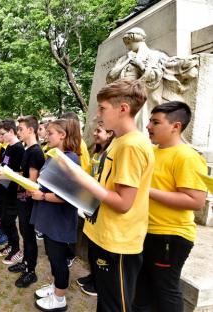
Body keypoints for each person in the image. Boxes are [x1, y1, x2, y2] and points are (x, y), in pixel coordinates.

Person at [69, 79, 154, 311]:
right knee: (105, 301)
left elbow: (124, 202)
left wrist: (81, 179)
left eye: (103, 108)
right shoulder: (119, 141)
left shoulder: (131, 145)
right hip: (104, 233)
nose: (98, 115)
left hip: (118, 241)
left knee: (114, 305)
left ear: (123, 109)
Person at [133, 102, 208, 312]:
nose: (148, 126)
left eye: (155, 122)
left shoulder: (188, 157)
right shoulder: (153, 151)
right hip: (147, 231)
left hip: (170, 236)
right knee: (142, 288)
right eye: (150, 121)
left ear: (176, 126)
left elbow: (196, 201)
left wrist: (145, 190)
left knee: (166, 290)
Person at [30, 119, 81, 311]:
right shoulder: (55, 156)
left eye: (50, 133)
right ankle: (55, 287)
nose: (45, 136)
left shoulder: (70, 159)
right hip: (50, 218)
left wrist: (42, 195)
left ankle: (60, 299)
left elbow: (68, 196)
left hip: (59, 220)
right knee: (52, 256)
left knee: (59, 259)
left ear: (63, 135)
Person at [77, 121, 114, 297]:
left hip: (101, 206)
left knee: (100, 253)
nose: (95, 134)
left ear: (110, 133)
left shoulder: (111, 154)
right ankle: (93, 276)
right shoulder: (98, 153)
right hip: (91, 204)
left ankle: (99, 283)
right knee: (91, 247)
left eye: (99, 131)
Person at [10, 116, 46, 288]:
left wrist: (13, 177)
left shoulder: (35, 152)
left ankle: (31, 271)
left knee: (29, 236)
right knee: (24, 233)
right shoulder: (27, 149)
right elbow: (24, 175)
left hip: (28, 201)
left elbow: (31, 183)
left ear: (31, 130)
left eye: (21, 129)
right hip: (22, 200)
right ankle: (25, 262)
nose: (19, 132)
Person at [0, 119, 25, 266]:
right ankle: (11, 245)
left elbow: (19, 173)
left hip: (12, 192)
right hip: (3, 188)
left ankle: (17, 249)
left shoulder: (19, 149)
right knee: (4, 220)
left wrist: (6, 174)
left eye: (2, 134)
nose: (0, 137)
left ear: (11, 132)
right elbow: (5, 164)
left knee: (9, 221)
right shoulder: (9, 148)